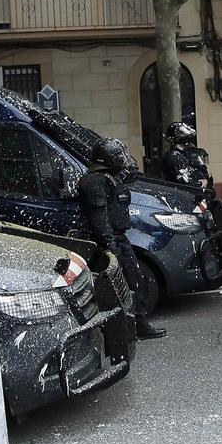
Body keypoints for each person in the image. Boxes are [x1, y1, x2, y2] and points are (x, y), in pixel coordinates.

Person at [80, 139, 166, 339]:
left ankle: (138, 325)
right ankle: (124, 331)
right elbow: (99, 219)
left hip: (119, 239)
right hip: (107, 243)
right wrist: (110, 247)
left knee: (135, 281)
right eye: (117, 156)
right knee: (119, 287)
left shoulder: (109, 177)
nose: (121, 159)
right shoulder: (94, 182)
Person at [159, 120, 214, 195]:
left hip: (199, 192)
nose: (190, 146)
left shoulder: (194, 153)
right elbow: (186, 181)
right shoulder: (173, 155)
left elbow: (205, 172)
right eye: (186, 144)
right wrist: (201, 183)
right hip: (181, 194)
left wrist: (206, 181)